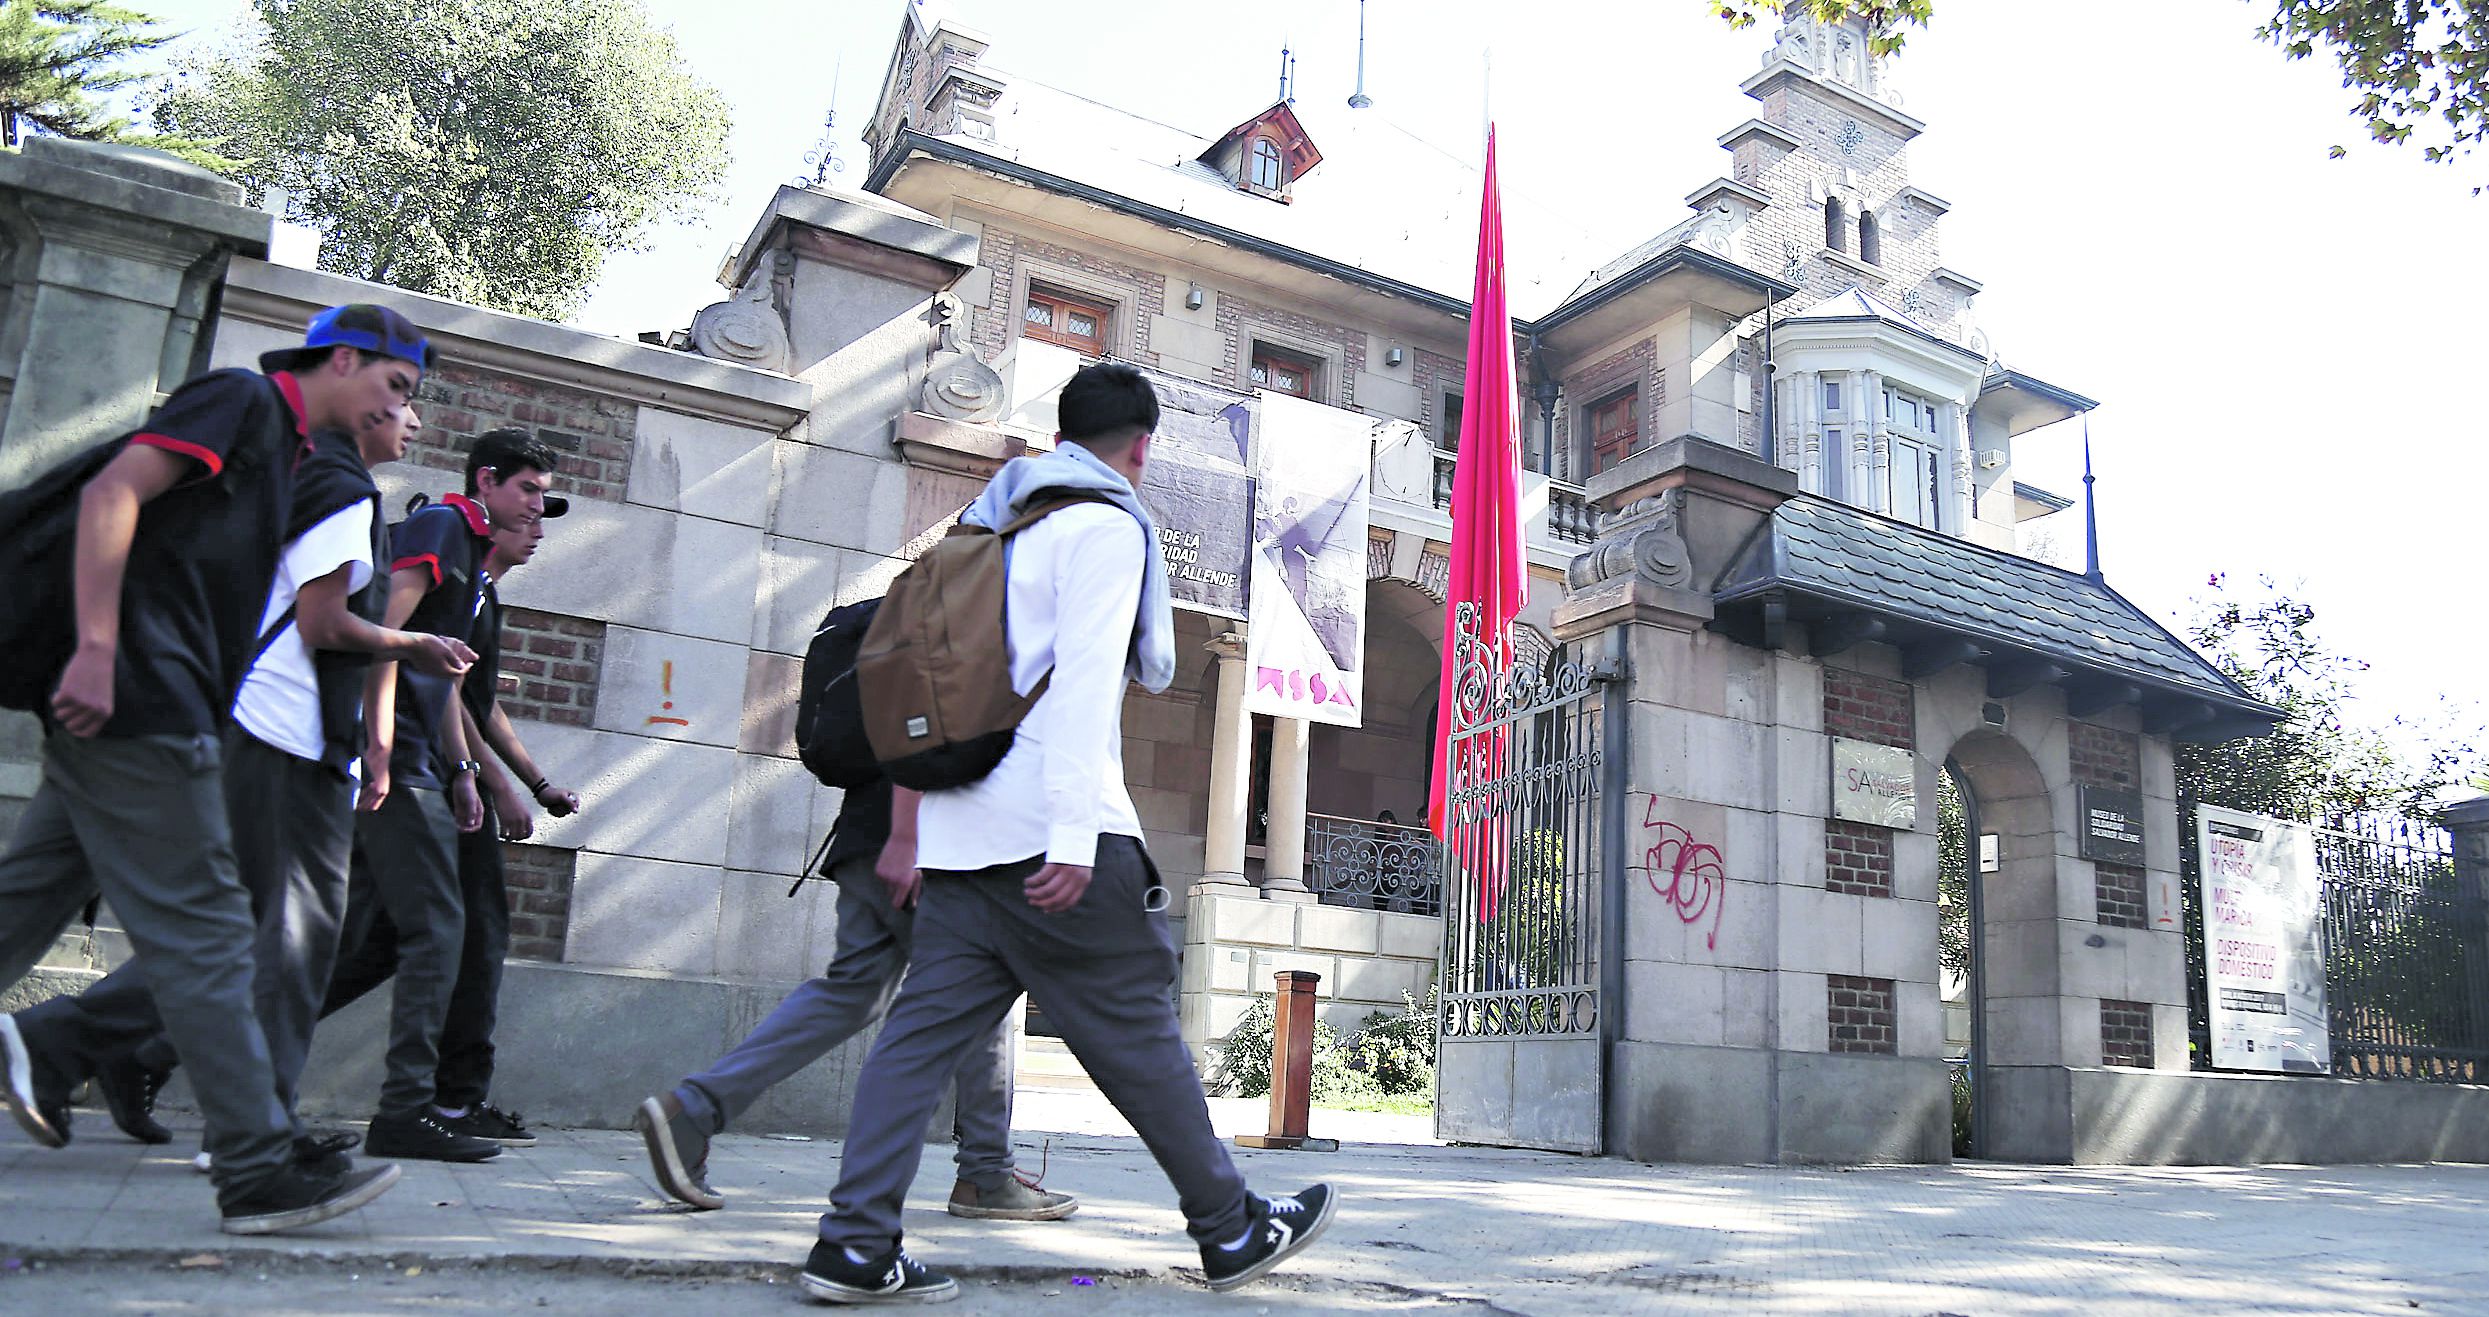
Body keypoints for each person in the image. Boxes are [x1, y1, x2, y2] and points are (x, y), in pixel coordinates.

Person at [798, 363, 1334, 1304]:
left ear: (1059, 436)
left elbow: (920, 683)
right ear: (1140, 445)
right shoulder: (1104, 525)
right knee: (1139, 1028)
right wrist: (1075, 840)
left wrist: (919, 829)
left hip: (962, 837)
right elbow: (1088, 681)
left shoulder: (987, 529)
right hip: (1051, 830)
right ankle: (1230, 1225)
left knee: (913, 1044)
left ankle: (852, 1245)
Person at [0, 304, 431, 1235]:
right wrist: (96, 646)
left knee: (19, 899)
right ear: (343, 359)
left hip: (160, 705)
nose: (401, 409)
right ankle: (256, 1166)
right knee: (210, 937)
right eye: (395, 387)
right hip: (140, 701)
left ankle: (68, 1061)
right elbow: (114, 493)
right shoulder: (241, 402)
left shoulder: (285, 451)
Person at [632, 779, 1073, 1221]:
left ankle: (693, 1110)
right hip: (931, 843)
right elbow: (929, 732)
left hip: (867, 833)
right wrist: (909, 836)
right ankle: (985, 1175)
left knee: (854, 991)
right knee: (978, 994)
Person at [320, 502, 577, 1149]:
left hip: (427, 774)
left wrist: (528, 780)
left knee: (379, 942)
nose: (537, 527)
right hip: (410, 776)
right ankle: (435, 1104)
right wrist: (471, 775)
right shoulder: (442, 538)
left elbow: (463, 695)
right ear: (487, 488)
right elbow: (394, 649)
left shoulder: (476, 587)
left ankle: (151, 1048)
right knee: (449, 931)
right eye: (529, 502)